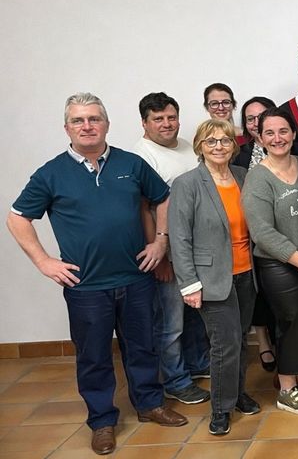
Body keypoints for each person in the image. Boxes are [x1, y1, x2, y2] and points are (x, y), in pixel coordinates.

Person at [7, 93, 187, 456]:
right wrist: (44, 261)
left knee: (143, 347)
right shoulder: (51, 173)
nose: (87, 126)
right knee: (93, 357)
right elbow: (17, 218)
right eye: (78, 120)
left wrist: (160, 242)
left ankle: (150, 405)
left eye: (94, 119)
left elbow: (163, 198)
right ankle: (102, 421)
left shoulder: (131, 164)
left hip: (136, 278)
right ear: (67, 128)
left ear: (106, 124)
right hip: (86, 286)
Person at [169, 119, 260, 436]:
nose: (218, 146)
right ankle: (221, 408)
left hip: (246, 272)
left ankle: (238, 394)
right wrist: (189, 284)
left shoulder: (242, 176)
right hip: (211, 278)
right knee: (224, 344)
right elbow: (179, 238)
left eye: (224, 140)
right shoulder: (187, 184)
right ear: (200, 146)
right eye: (211, 141)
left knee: (241, 338)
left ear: (234, 146)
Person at [242, 108, 298, 416]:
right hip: (279, 263)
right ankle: (286, 388)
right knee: (290, 322)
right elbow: (261, 232)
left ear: (294, 134)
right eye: (269, 133)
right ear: (260, 138)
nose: (277, 138)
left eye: (283, 131)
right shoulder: (258, 178)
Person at [133, 92, 211, 405]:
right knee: (170, 323)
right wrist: (159, 254)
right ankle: (176, 381)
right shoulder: (142, 156)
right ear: (144, 123)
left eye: (171, 117)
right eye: (158, 119)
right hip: (167, 252)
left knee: (194, 314)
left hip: (193, 249)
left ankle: (197, 364)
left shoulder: (186, 147)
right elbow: (143, 208)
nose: (166, 124)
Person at [232, 96, 280, 373]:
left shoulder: (289, 147)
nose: (255, 123)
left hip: (282, 234)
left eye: (261, 117)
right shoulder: (238, 154)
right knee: (256, 292)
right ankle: (263, 342)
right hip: (247, 236)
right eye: (250, 119)